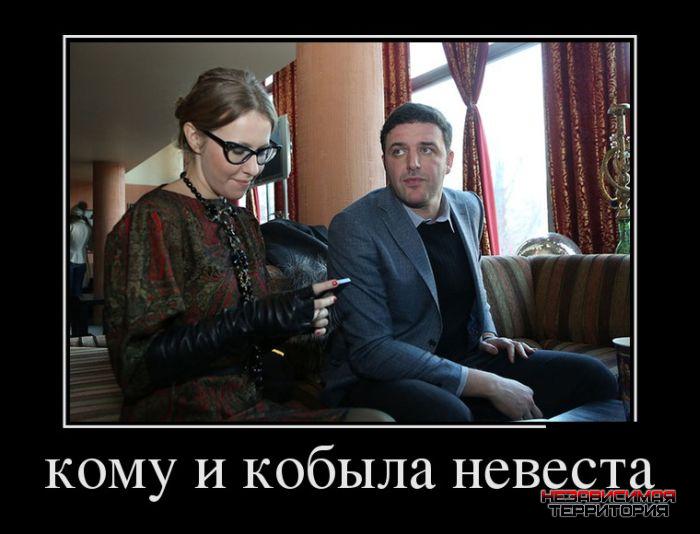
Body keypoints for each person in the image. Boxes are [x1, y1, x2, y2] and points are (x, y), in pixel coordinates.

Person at [103, 68, 392, 423]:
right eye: (238, 150)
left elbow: (248, 332)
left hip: (249, 403)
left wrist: (292, 319)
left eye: (262, 152)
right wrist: (256, 320)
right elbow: (134, 369)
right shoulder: (152, 221)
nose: (254, 168)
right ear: (195, 137)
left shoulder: (241, 221)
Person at [321, 102, 618, 423]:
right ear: (385, 162)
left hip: (464, 357)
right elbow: (371, 350)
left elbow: (475, 288)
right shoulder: (355, 226)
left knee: (593, 377)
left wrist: (487, 334)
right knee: (453, 415)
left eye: (427, 149)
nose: (412, 163)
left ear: (449, 160)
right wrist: (488, 384)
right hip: (382, 375)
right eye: (398, 151)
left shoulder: (468, 206)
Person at [69, 201, 92, 336]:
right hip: (82, 262)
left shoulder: (70, 226)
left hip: (70, 261)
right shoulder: (88, 228)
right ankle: (77, 327)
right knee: (77, 295)